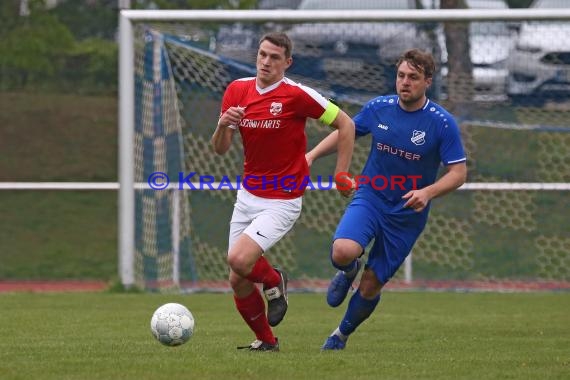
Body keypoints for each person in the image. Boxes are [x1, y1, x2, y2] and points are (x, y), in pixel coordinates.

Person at [305, 48, 467, 350]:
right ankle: (348, 269)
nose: (405, 82)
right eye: (401, 75)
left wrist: (428, 192)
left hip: (407, 213)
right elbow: (347, 130)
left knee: (371, 284)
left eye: (413, 78)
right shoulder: (379, 107)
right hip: (371, 196)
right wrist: (311, 155)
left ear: (427, 81)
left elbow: (458, 172)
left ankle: (340, 335)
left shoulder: (442, 123)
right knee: (343, 250)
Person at [211, 32, 355, 352]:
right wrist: (222, 125)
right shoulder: (237, 90)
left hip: (282, 200)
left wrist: (341, 172)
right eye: (262, 54)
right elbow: (220, 150)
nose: (266, 61)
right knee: (238, 277)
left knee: (238, 258)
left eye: (274, 57)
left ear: (287, 63)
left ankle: (275, 280)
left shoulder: (297, 95)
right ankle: (267, 341)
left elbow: (346, 124)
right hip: (247, 196)